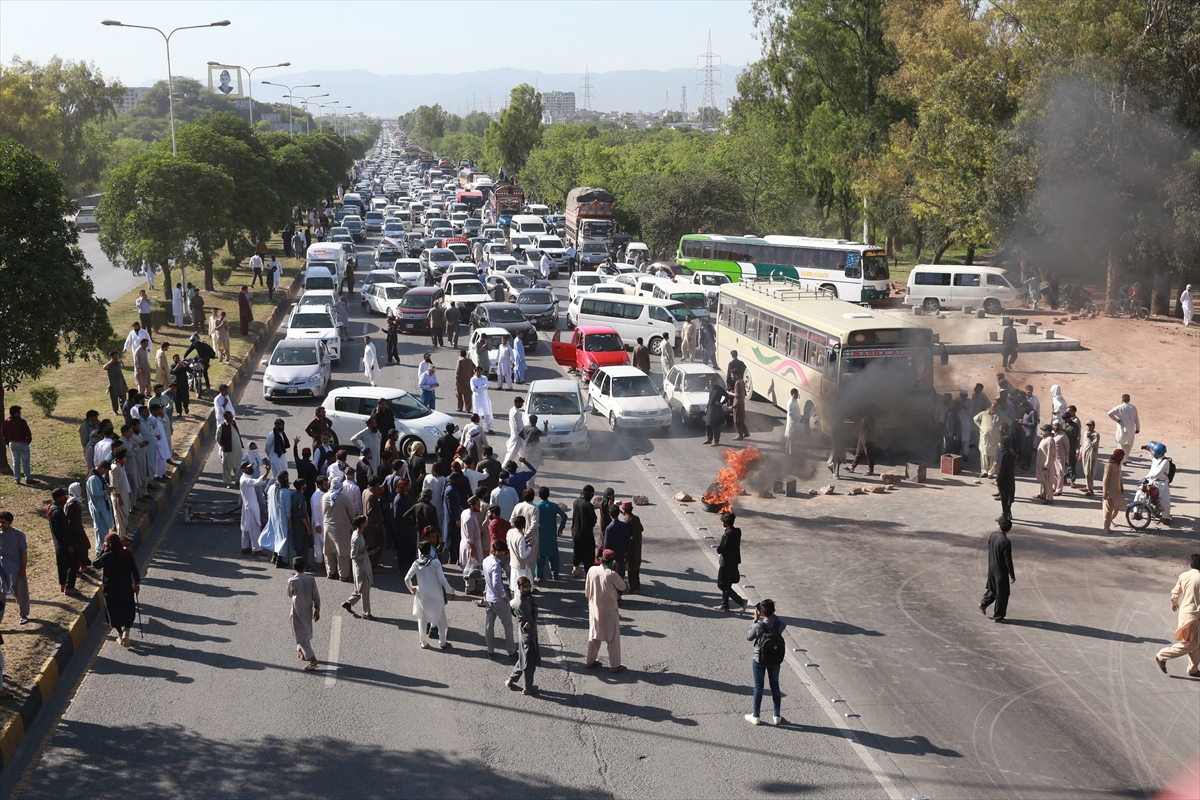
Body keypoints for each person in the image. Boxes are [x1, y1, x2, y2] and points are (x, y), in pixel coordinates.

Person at [1154, 554, 1200, 677]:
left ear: (1190, 565)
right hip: (1195, 616)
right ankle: (1162, 655)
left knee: (1197, 642)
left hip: (1185, 613)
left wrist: (1174, 602)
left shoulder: (1184, 575)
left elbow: (1175, 592)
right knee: (1192, 644)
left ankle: (1193, 669)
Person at [405, 540, 456, 649]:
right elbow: (442, 579)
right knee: (440, 619)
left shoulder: (416, 564)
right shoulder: (435, 563)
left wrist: (412, 588)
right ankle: (442, 642)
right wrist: (450, 591)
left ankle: (423, 642)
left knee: (422, 619)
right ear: (429, 550)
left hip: (423, 595)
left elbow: (407, 578)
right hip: (436, 596)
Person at [93, 532, 140, 647]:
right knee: (128, 609)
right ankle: (126, 632)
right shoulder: (127, 554)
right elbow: (135, 571)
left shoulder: (106, 556)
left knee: (114, 613)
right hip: (125, 588)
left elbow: (95, 564)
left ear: (109, 544)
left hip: (110, 591)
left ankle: (120, 635)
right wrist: (137, 584)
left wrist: (103, 550)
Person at [745, 598, 787, 726]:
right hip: (775, 659)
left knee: (759, 686)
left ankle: (756, 716)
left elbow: (749, 637)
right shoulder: (780, 624)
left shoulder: (758, 626)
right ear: (774, 610)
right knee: (775, 685)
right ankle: (777, 715)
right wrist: (770, 613)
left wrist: (755, 620)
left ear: (761, 612)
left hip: (759, 660)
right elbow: (779, 621)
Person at [585, 549, 627, 672]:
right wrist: (616, 571)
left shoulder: (592, 570)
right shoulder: (611, 574)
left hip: (594, 608)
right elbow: (622, 586)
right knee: (612, 637)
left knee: (594, 634)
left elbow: (587, 592)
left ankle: (590, 660)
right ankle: (615, 665)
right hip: (609, 609)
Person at [506, 576, 540, 694]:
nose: (527, 588)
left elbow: (535, 607)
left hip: (528, 631)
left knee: (523, 657)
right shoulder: (520, 602)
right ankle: (527, 688)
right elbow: (532, 619)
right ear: (519, 588)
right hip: (527, 635)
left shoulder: (528, 595)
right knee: (529, 661)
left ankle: (511, 679)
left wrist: (535, 612)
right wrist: (534, 615)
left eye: (529, 585)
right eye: (525, 587)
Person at [483, 539, 516, 660]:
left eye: (503, 552)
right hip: (498, 600)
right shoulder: (496, 564)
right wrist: (505, 595)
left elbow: (487, 581)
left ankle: (490, 651)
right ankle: (512, 651)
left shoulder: (486, 560)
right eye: (500, 552)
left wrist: (485, 593)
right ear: (494, 550)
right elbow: (496, 582)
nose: (502, 555)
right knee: (507, 625)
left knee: (489, 626)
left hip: (489, 599)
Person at [287, 557, 321, 670]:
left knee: (301, 635)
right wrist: (317, 609)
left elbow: (289, 594)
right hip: (308, 609)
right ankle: (300, 651)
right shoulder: (311, 579)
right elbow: (315, 595)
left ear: (294, 568)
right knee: (304, 630)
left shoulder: (292, 581)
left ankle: (313, 659)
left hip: (297, 610)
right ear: (305, 567)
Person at [979, 517, 1016, 623]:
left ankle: (984, 603)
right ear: (1009, 529)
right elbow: (1008, 560)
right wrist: (1012, 575)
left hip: (991, 567)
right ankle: (998, 616)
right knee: (1003, 593)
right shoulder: (1006, 542)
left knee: (994, 588)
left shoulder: (993, 535)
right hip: (1000, 571)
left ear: (1000, 527)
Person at [342, 515, 376, 619]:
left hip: (364, 565)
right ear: (361, 524)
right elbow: (353, 555)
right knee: (365, 591)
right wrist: (368, 554)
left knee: (361, 589)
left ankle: (349, 602)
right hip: (361, 568)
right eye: (365, 522)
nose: (367, 523)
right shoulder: (356, 538)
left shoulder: (359, 534)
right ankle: (366, 613)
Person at [48, 488, 81, 595]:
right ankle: (69, 587)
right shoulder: (58, 512)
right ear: (58, 498)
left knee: (62, 565)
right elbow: (63, 531)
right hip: (64, 544)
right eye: (63, 496)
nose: (65, 498)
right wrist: (69, 545)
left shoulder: (52, 509)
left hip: (58, 544)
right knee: (71, 565)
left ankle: (63, 585)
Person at [322, 476, 356, 580]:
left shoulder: (324, 496)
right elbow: (353, 514)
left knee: (329, 551)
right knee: (343, 553)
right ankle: (344, 575)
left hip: (328, 527)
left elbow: (323, 511)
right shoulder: (344, 499)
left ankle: (330, 572)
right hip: (342, 528)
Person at [0, 513, 30, 626]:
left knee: (21, 592)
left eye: (4, 522)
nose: (1, 524)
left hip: (16, 569)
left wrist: (23, 569)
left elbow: (23, 553)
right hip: (2, 570)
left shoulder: (19, 535)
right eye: (0, 522)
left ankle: (24, 614)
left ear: (10, 522)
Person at [716, 511, 747, 613]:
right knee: (727, 584)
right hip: (734, 561)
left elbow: (720, 549)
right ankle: (725, 605)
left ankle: (741, 601)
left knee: (722, 584)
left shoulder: (727, 534)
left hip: (726, 563)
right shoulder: (737, 531)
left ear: (726, 522)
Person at [534, 486, 567, 581]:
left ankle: (539, 575)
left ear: (539, 495)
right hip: (552, 533)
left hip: (540, 534)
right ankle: (555, 574)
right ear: (548, 495)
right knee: (553, 555)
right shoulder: (554, 506)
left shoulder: (536, 506)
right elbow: (564, 516)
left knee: (540, 555)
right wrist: (561, 528)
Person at [239, 461, 272, 555]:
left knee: (245, 528)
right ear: (243, 469)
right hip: (250, 508)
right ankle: (256, 549)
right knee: (254, 528)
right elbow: (258, 481)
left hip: (247, 506)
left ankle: (245, 547)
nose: (250, 469)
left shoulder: (245, 478)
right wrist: (267, 472)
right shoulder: (245, 479)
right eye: (248, 467)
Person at [974, 402, 1010, 478]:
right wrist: (981, 427)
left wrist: (1002, 429)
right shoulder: (983, 414)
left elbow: (1009, 422)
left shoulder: (1000, 415)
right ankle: (984, 471)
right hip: (985, 438)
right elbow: (975, 419)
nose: (995, 409)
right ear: (990, 407)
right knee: (984, 455)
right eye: (994, 407)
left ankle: (991, 472)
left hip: (995, 439)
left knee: (994, 455)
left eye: (996, 408)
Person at [571, 485, 598, 578]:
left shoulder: (576, 501)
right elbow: (593, 521)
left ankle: (575, 567)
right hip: (586, 534)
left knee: (576, 550)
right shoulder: (588, 505)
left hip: (575, 531)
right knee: (588, 554)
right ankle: (588, 573)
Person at [1143, 441, 1173, 525]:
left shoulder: (1165, 462)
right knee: (1140, 492)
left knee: (1165, 501)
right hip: (1152, 481)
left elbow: (1157, 473)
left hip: (1162, 484)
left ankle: (1166, 517)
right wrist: (1149, 450)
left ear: (1159, 453)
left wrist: (1146, 477)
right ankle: (1135, 511)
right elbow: (1151, 456)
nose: (1154, 453)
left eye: (1155, 451)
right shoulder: (1156, 458)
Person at [459, 495, 485, 594]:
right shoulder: (469, 517)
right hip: (470, 546)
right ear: (472, 505)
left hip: (469, 544)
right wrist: (472, 550)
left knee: (471, 566)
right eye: (478, 505)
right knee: (470, 567)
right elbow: (470, 537)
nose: (479, 507)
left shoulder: (466, 512)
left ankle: (472, 585)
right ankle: (470, 589)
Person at [3, 405, 33, 485]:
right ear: (16, 413)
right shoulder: (21, 421)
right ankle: (28, 478)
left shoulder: (6, 422)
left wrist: (7, 443)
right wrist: (28, 441)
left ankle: (17, 479)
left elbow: (4, 434)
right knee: (25, 461)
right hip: (22, 442)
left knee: (15, 462)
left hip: (12, 443)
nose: (20, 413)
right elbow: (28, 433)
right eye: (19, 411)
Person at [846, 411, 876, 475]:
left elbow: (872, 429)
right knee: (858, 452)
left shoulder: (869, 417)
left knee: (869, 453)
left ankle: (871, 470)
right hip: (861, 437)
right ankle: (852, 467)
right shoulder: (864, 417)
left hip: (866, 438)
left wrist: (869, 438)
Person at [1033, 424, 1057, 503]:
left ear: (1047, 431)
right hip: (1041, 463)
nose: (1042, 432)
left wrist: (1047, 465)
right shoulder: (1045, 439)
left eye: (1043, 430)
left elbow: (1050, 454)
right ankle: (1043, 494)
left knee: (1048, 481)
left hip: (1046, 465)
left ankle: (1050, 498)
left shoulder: (1050, 440)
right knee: (1043, 481)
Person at [996, 438, 1017, 522]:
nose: (999, 445)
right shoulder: (1011, 453)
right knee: (1009, 497)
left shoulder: (1004, 454)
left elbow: (1001, 469)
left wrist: (997, 480)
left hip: (1004, 480)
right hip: (1010, 478)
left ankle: (1005, 515)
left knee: (1004, 498)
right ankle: (1008, 512)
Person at [704, 376, 728, 447]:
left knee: (716, 426)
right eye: (710, 382)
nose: (710, 383)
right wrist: (707, 407)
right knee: (708, 425)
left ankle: (716, 441)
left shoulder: (719, 389)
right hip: (710, 409)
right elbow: (710, 399)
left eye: (712, 382)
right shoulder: (711, 389)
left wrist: (721, 403)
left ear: (715, 382)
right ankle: (709, 439)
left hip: (717, 410)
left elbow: (727, 396)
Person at [504, 397, 527, 465]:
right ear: (517, 403)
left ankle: (525, 465)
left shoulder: (512, 410)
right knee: (512, 453)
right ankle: (504, 467)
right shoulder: (515, 412)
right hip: (518, 436)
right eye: (521, 403)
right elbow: (519, 426)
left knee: (522, 452)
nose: (522, 405)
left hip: (517, 435)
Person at [730, 371, 750, 440]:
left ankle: (740, 435)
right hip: (741, 404)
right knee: (741, 420)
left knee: (736, 421)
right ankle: (746, 432)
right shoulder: (742, 381)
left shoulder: (737, 383)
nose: (731, 376)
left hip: (737, 405)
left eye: (732, 375)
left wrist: (730, 393)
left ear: (736, 375)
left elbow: (737, 395)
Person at [783, 388, 804, 455]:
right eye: (796, 394)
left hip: (795, 423)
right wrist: (799, 419)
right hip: (792, 423)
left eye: (797, 394)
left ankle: (787, 450)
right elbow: (791, 414)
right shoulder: (791, 402)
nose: (797, 396)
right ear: (792, 394)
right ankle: (791, 453)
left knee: (790, 438)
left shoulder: (794, 401)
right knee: (792, 439)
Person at [1050, 421, 1068, 495]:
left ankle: (1059, 490)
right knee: (1053, 472)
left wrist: (1065, 455)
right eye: (1054, 425)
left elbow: (1067, 446)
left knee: (1060, 473)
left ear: (1060, 426)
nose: (1056, 427)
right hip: (1052, 456)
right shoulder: (1051, 433)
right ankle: (1054, 487)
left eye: (1057, 425)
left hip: (1060, 456)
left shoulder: (1063, 435)